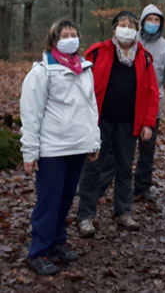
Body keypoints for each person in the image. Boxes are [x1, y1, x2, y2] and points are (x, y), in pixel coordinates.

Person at [20, 19, 101, 275]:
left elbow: (91, 109)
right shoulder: (42, 71)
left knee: (66, 199)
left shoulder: (85, 68)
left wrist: (93, 141)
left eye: (73, 34)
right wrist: (29, 153)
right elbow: (31, 114)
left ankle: (57, 242)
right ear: (54, 40)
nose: (70, 38)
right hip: (52, 149)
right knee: (49, 201)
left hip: (77, 146)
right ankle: (38, 251)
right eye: (64, 34)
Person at [77, 11, 159, 237]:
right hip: (99, 122)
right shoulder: (97, 53)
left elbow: (152, 92)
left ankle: (123, 211)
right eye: (122, 25)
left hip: (129, 123)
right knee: (92, 167)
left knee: (124, 168)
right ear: (114, 29)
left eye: (130, 25)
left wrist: (148, 123)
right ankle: (85, 215)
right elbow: (82, 87)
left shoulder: (145, 57)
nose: (126, 29)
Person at [97, 4, 165, 202]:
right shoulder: (129, 40)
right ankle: (101, 186)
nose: (153, 23)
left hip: (152, 106)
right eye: (150, 20)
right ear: (142, 22)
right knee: (115, 151)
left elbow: (164, 77)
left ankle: (143, 187)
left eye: (157, 20)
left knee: (147, 150)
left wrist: (158, 96)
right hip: (128, 108)